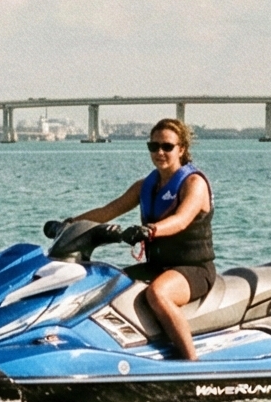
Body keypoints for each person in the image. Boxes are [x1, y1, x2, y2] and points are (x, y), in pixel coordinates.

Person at [70, 117, 216, 360]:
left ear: (181, 149)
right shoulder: (146, 186)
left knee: (158, 293)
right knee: (107, 283)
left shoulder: (193, 183)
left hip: (193, 269)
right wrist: (70, 223)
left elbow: (181, 219)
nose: (160, 152)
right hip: (156, 266)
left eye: (167, 146)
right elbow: (107, 211)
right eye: (154, 146)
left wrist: (150, 230)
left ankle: (191, 362)